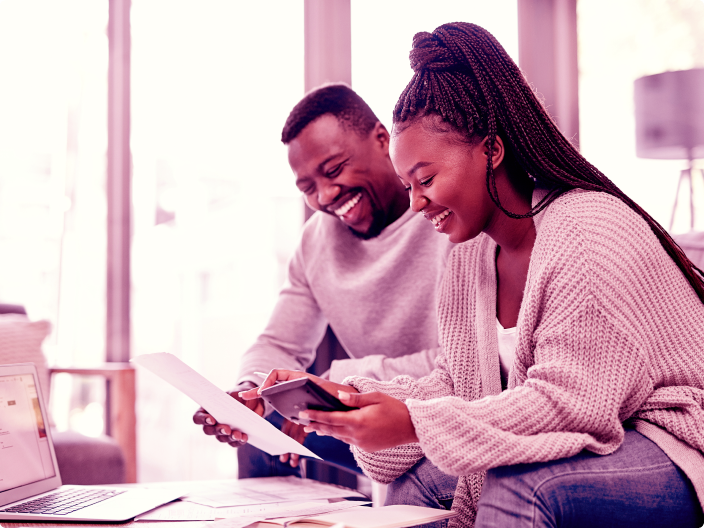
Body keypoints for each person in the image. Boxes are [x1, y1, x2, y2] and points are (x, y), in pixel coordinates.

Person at [243, 23, 704, 528]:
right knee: (412, 480)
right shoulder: (469, 255)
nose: (417, 204)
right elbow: (459, 386)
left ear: (492, 149)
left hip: (673, 438)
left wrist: (413, 422)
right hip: (605, 428)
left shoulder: (586, 229)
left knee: (519, 484)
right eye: (407, 185)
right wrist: (347, 399)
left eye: (426, 180)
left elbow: (571, 406)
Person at [193, 83, 455, 479]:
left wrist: (334, 385)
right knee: (261, 438)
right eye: (307, 188)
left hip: (438, 413)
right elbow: (279, 343)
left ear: (382, 139)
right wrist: (250, 395)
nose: (326, 195)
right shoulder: (317, 240)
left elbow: (461, 365)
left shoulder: (446, 215)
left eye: (333, 170)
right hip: (360, 408)